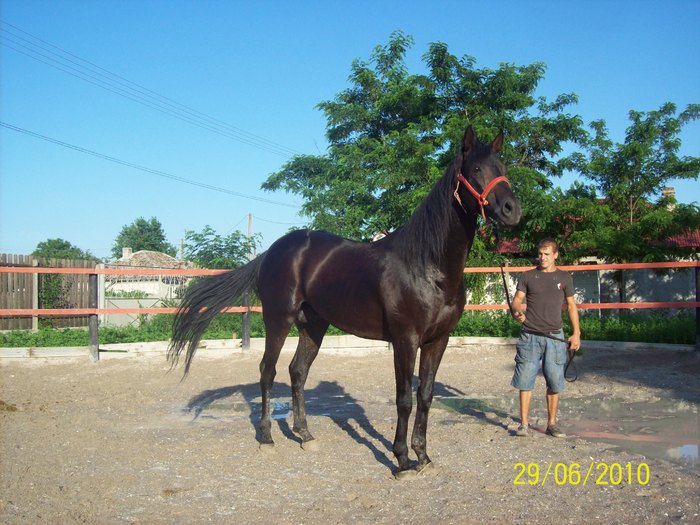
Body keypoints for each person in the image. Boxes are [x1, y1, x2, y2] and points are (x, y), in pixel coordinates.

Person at [510, 238, 581, 438]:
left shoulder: (565, 278)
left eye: (547, 254)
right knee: (525, 380)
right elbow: (517, 300)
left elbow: (572, 307)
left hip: (555, 336)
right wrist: (516, 311)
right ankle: (524, 424)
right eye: (541, 254)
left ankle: (551, 424)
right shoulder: (528, 276)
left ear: (555, 255)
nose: (543, 257)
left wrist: (576, 333)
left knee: (555, 380)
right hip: (530, 335)